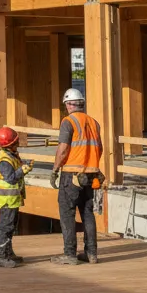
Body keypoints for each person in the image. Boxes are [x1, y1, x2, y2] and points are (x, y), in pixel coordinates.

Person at [50, 87, 104, 265]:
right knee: (87, 213)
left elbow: (63, 149)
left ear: (69, 104)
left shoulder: (68, 122)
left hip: (71, 175)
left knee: (67, 213)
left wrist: (55, 169)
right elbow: (100, 148)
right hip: (91, 175)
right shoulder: (94, 122)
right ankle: (91, 253)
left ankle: (70, 254)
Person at [0, 126, 33, 268]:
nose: (18, 144)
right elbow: (10, 178)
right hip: (6, 200)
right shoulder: (5, 160)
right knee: (5, 227)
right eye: (15, 142)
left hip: (12, 199)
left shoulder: (11, 155)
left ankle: (8, 253)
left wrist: (22, 167)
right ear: (9, 145)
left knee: (11, 226)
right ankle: (1, 255)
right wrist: (23, 170)